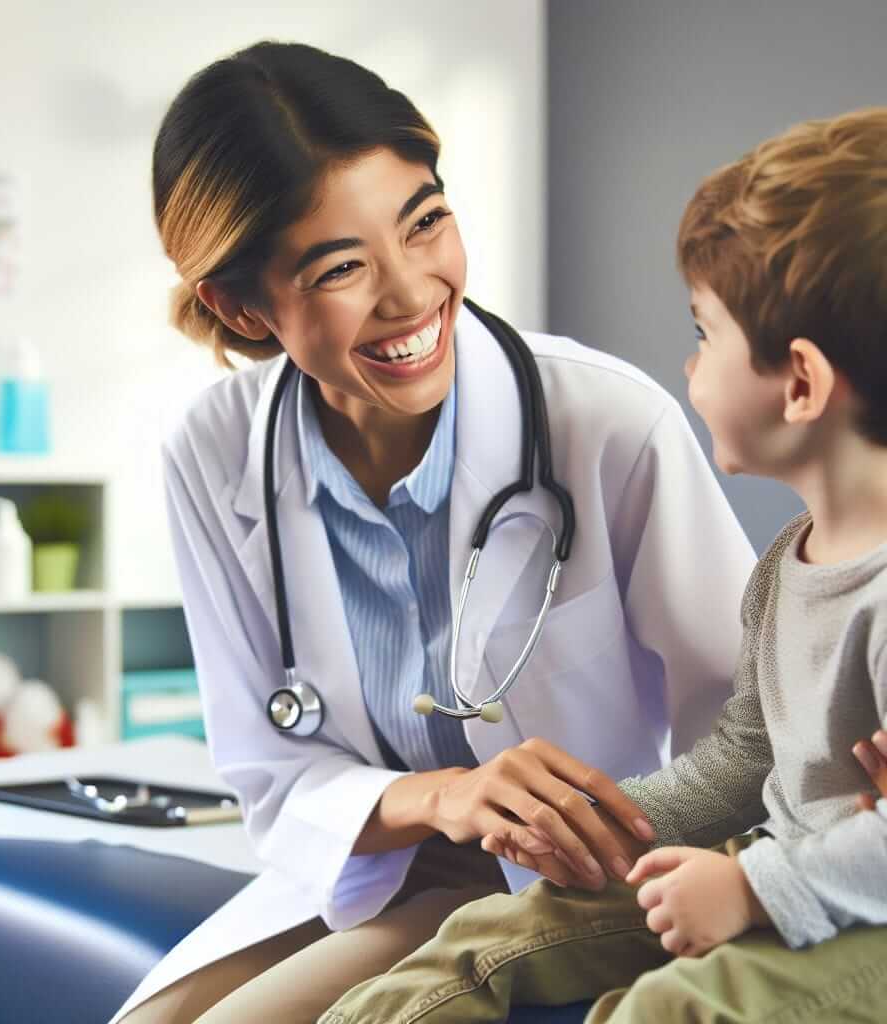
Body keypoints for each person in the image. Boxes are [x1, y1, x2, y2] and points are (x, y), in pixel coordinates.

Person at [115, 41, 756, 1024]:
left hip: (581, 880)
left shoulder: (605, 424)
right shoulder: (214, 453)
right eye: (340, 266)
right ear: (240, 303)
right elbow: (271, 775)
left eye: (425, 223)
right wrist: (447, 795)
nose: (412, 293)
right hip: (371, 871)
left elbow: (749, 723)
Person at [321, 106, 887, 1024]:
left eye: (706, 334)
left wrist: (754, 891)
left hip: (868, 919)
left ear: (801, 383)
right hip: (789, 864)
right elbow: (748, 754)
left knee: (667, 1009)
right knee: (479, 941)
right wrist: (602, 826)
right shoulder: (790, 562)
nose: (689, 361)